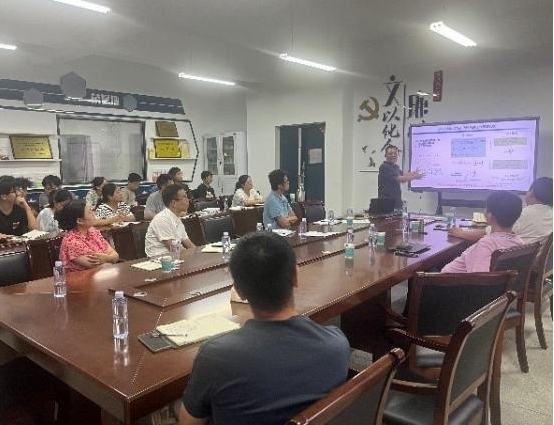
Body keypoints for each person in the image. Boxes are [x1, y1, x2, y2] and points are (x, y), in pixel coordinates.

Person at [178, 232, 350, 425]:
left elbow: (188, 423)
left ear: (239, 291)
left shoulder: (215, 356)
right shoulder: (337, 344)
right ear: (295, 276)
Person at [449, 177, 553, 244]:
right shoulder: (550, 213)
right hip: (529, 263)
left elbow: (489, 233)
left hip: (508, 264)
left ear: (532, 192)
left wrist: (461, 233)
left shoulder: (526, 214)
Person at [442, 191, 524, 273]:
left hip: (448, 280)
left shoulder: (486, 244)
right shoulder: (519, 243)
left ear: (489, 215)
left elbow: (479, 278)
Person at [57, 200, 119, 272]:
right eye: (90, 212)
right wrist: (110, 258)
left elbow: (116, 256)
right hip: (82, 278)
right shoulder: (71, 241)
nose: (94, 214)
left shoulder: (93, 231)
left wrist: (106, 258)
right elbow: (100, 266)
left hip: (101, 275)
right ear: (80, 221)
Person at [145, 184, 195, 257]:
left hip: (174, 257)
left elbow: (189, 244)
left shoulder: (176, 218)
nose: (188, 200)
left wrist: (198, 254)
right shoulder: (162, 219)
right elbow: (174, 249)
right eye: (184, 197)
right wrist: (193, 256)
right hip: (159, 259)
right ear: (174, 203)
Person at [377, 145, 424, 209]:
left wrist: (414, 173)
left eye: (395, 153)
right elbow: (400, 179)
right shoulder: (385, 167)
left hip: (396, 203)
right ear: (385, 155)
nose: (393, 155)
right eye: (390, 154)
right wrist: (415, 177)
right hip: (386, 203)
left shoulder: (395, 167)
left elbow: (403, 174)